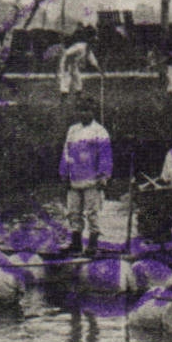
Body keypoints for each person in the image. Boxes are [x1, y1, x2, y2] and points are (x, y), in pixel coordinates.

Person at [59, 100, 112, 255]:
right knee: (73, 211)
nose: (83, 114)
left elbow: (105, 155)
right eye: (81, 110)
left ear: (93, 112)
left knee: (92, 213)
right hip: (74, 178)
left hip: (92, 179)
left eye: (87, 110)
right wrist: (64, 173)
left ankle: (92, 245)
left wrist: (103, 175)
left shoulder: (99, 131)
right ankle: (76, 244)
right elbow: (66, 152)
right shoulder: (72, 130)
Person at [57, 30, 99, 108]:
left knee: (78, 79)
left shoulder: (88, 50)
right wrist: (66, 68)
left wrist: (99, 69)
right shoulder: (80, 47)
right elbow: (67, 54)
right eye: (93, 43)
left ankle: (78, 99)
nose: (94, 45)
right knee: (66, 79)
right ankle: (63, 101)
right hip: (66, 62)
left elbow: (92, 60)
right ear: (90, 42)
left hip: (73, 64)